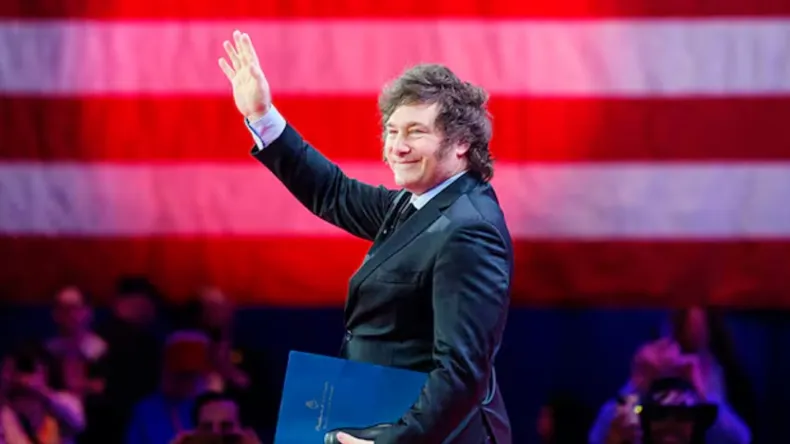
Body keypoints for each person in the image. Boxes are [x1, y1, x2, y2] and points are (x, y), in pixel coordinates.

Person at [218, 30, 513, 444]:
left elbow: (461, 371)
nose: (398, 147)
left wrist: (391, 441)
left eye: (415, 132)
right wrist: (262, 115)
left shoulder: (469, 229)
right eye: (392, 131)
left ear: (462, 143)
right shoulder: (421, 204)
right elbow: (333, 192)